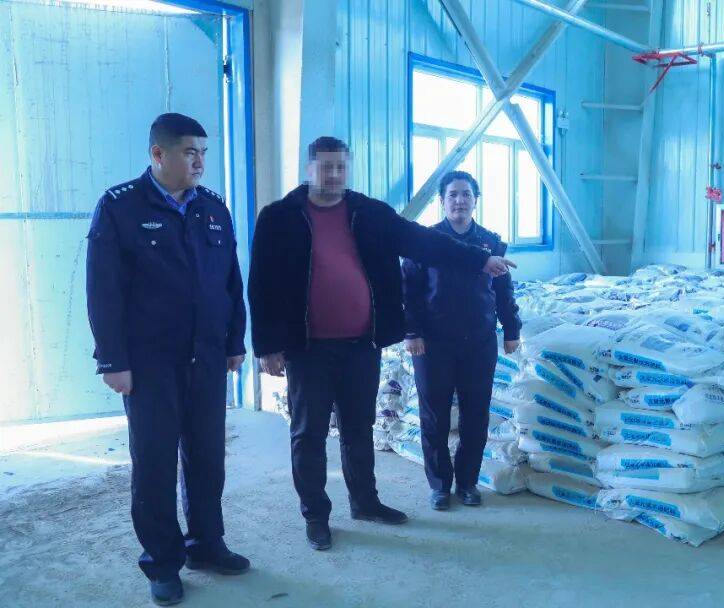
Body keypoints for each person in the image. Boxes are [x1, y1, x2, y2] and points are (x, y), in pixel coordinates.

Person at [248, 137, 517, 551]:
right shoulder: (279, 217)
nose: (334, 174)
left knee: (359, 428)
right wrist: (267, 345)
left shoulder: (369, 213)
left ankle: (365, 501)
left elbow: (424, 242)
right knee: (309, 434)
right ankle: (316, 516)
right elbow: (261, 284)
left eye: (340, 167)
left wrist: (479, 259)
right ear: (308, 169)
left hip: (362, 343)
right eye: (325, 167)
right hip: (307, 347)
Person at [86, 113, 249, 607]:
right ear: (158, 154)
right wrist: (112, 360)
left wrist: (235, 341)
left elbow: (230, 282)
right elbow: (104, 290)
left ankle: (206, 544)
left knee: (207, 457)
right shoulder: (121, 206)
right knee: (155, 464)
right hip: (150, 363)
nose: (199, 162)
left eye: (203, 152)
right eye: (189, 152)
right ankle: (162, 561)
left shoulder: (213, 208)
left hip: (207, 357)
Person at [402, 171, 521, 510]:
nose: (459, 200)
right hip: (432, 344)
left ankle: (468, 483)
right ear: (442, 201)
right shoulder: (425, 241)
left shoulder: (490, 242)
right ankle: (440, 486)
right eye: (453, 194)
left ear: (475, 200)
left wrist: (511, 329)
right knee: (435, 416)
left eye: (466, 194)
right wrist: (411, 332)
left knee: (475, 415)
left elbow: (503, 290)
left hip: (478, 342)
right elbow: (408, 290)